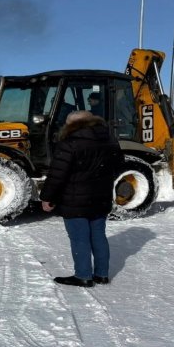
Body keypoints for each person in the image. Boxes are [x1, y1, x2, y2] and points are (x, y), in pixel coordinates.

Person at [40, 110, 125, 287]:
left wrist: (47, 197)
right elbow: (118, 167)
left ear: (71, 125)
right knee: (98, 235)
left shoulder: (69, 143)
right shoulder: (110, 140)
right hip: (101, 197)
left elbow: (57, 175)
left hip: (74, 199)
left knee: (79, 238)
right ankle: (101, 274)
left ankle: (83, 275)